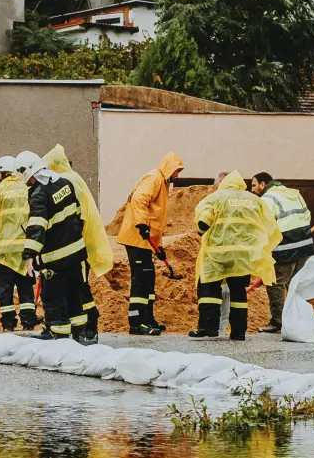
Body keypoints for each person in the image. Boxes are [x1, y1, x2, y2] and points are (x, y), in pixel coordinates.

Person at [189, 171, 282, 340]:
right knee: (239, 293)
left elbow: (203, 223)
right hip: (242, 257)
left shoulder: (216, 198)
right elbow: (269, 224)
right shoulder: (254, 200)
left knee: (209, 290)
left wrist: (203, 230)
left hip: (218, 255)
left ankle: (207, 329)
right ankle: (239, 332)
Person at [17, 150, 90, 342]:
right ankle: (80, 333)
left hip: (55, 258)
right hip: (75, 253)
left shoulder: (39, 193)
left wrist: (29, 255)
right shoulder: (64, 183)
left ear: (28, 174)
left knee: (54, 297)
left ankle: (57, 333)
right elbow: (78, 213)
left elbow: (37, 225)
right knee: (74, 294)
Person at [43, 144, 113, 344]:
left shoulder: (69, 182)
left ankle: (88, 325)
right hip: (78, 246)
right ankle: (81, 329)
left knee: (78, 287)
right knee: (75, 287)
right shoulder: (73, 179)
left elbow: (77, 216)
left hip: (75, 247)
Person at [115, 152, 184, 336]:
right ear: (169, 167)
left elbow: (156, 219)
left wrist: (158, 246)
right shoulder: (154, 178)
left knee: (148, 277)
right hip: (137, 237)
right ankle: (137, 323)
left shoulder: (162, 183)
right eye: (176, 170)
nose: (177, 175)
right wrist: (142, 225)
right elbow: (139, 200)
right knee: (140, 279)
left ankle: (148, 318)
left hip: (146, 240)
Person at [251, 172, 314, 334]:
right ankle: (299, 320)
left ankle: (277, 322)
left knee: (275, 283)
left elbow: (262, 225)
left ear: (262, 184)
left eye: (253, 185)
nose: (252, 189)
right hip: (304, 246)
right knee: (295, 285)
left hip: (285, 246)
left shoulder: (267, 199)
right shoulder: (293, 193)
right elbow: (307, 215)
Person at [0, 156, 38, 332]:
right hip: (26, 250)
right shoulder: (29, 188)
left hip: (5, 252)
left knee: (6, 290)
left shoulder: (0, 191)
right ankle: (28, 323)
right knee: (26, 288)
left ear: (4, 172)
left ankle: (8, 325)